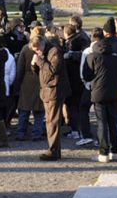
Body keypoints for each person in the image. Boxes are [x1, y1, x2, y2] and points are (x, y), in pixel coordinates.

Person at [82, 25, 117, 163]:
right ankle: (114, 150)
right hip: (114, 92)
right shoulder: (116, 57)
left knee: (101, 123)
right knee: (112, 122)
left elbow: (86, 75)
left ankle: (103, 152)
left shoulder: (92, 57)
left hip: (98, 92)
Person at [31, 33, 70, 161]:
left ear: (42, 45)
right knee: (50, 121)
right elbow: (41, 73)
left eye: (37, 49)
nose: (36, 52)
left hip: (55, 90)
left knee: (52, 121)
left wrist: (40, 61)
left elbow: (53, 70)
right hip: (47, 91)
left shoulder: (54, 51)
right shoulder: (44, 53)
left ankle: (53, 151)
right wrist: (34, 65)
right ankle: (54, 150)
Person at [74, 27, 102, 147]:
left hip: (89, 85)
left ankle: (86, 135)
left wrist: (85, 82)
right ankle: (101, 138)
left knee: (83, 109)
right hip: (101, 85)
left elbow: (83, 70)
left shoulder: (87, 51)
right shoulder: (106, 49)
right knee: (100, 113)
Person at [14, 33, 45, 141]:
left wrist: (17, 84)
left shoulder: (25, 49)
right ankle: (37, 133)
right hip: (40, 80)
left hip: (26, 81)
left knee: (24, 109)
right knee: (39, 110)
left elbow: (20, 68)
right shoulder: (43, 49)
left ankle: (21, 132)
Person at [62, 23, 90, 141]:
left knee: (72, 106)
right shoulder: (82, 41)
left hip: (72, 80)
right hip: (80, 80)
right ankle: (81, 129)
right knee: (80, 106)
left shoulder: (70, 45)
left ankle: (75, 130)